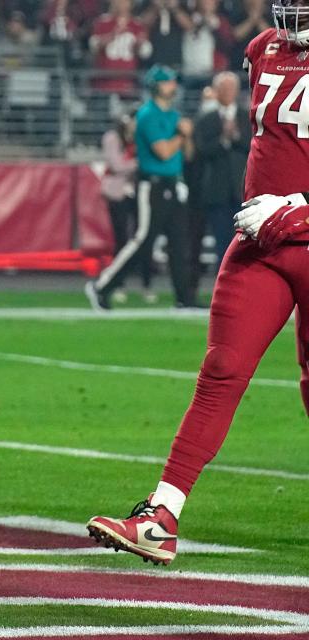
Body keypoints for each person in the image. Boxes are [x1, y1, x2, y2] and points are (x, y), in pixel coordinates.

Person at [87, 1, 309, 565]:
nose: (293, 14)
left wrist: (299, 211)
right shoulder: (264, 50)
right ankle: (161, 517)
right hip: (260, 241)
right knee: (220, 372)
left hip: (298, 231)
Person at [85, 65, 197, 311]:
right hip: (152, 185)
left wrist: (185, 137)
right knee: (142, 240)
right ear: (157, 86)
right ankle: (102, 286)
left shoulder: (174, 115)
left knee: (180, 244)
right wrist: (182, 135)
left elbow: (188, 154)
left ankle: (184, 298)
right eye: (168, 82)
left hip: (174, 183)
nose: (173, 86)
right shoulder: (147, 115)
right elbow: (163, 151)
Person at [193, 71, 250, 265]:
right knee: (222, 244)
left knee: (245, 244)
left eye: (231, 88)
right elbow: (201, 150)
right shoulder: (205, 119)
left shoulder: (247, 117)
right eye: (223, 88)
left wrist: (236, 136)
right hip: (216, 192)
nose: (227, 92)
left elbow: (254, 146)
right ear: (216, 91)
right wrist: (223, 139)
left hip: (242, 191)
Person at [100, 111, 155, 303]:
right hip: (118, 193)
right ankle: (118, 284)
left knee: (144, 239)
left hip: (139, 191)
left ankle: (146, 284)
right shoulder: (112, 137)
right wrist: (140, 163)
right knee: (121, 239)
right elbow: (116, 165)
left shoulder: (142, 137)